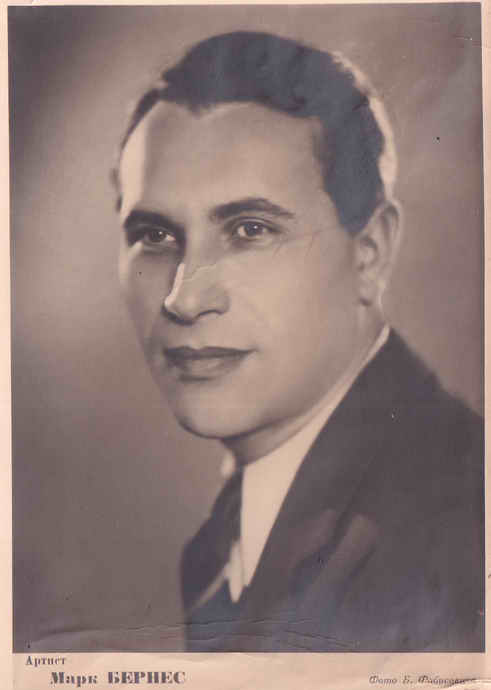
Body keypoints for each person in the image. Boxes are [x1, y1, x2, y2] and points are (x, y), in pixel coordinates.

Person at [114, 32, 484, 652]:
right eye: (155, 236)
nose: (184, 298)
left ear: (370, 252)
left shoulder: (457, 528)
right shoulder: (231, 532)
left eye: (249, 230)